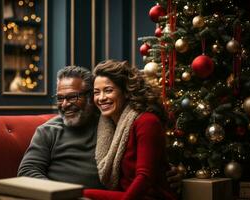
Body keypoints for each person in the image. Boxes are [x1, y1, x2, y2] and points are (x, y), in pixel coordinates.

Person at [17, 65, 181, 191]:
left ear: (90, 96)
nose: (65, 104)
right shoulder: (48, 130)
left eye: (73, 97)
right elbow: (27, 171)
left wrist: (168, 172)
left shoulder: (114, 125)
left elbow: (141, 162)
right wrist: (61, 195)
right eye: (60, 98)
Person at [84, 60, 176, 199]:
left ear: (126, 92)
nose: (101, 98)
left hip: (151, 197)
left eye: (108, 90)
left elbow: (145, 177)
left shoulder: (147, 121)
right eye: (97, 92)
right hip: (126, 195)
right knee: (75, 194)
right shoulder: (107, 124)